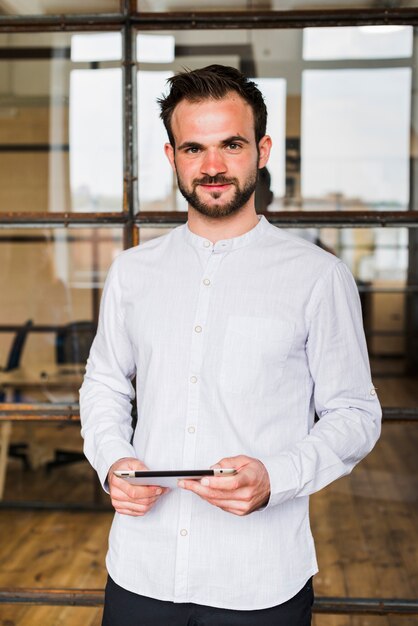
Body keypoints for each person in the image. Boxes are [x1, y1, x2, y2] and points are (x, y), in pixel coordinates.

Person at [80, 64, 382, 626]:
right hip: (140, 572)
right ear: (172, 158)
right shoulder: (132, 272)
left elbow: (356, 413)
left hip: (260, 580)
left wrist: (279, 476)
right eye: (194, 148)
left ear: (261, 150)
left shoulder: (318, 276)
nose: (213, 166)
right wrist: (111, 460)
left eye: (232, 144)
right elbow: (103, 383)